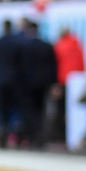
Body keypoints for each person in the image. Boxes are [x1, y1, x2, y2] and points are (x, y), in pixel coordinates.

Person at [16, 20, 56, 148]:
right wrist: (53, 83)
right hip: (42, 83)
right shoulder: (47, 46)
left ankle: (30, 136)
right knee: (41, 110)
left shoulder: (24, 46)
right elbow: (53, 67)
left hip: (27, 84)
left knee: (28, 110)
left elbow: (20, 67)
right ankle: (40, 136)